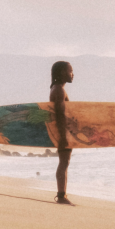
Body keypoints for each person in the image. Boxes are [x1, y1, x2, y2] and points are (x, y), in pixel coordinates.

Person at [50, 60, 74, 205]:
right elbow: (59, 114)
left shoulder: (56, 88)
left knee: (64, 162)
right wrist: (63, 136)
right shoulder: (59, 90)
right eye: (70, 71)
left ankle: (62, 195)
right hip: (62, 132)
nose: (72, 74)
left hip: (63, 131)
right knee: (63, 162)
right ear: (62, 73)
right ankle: (61, 196)